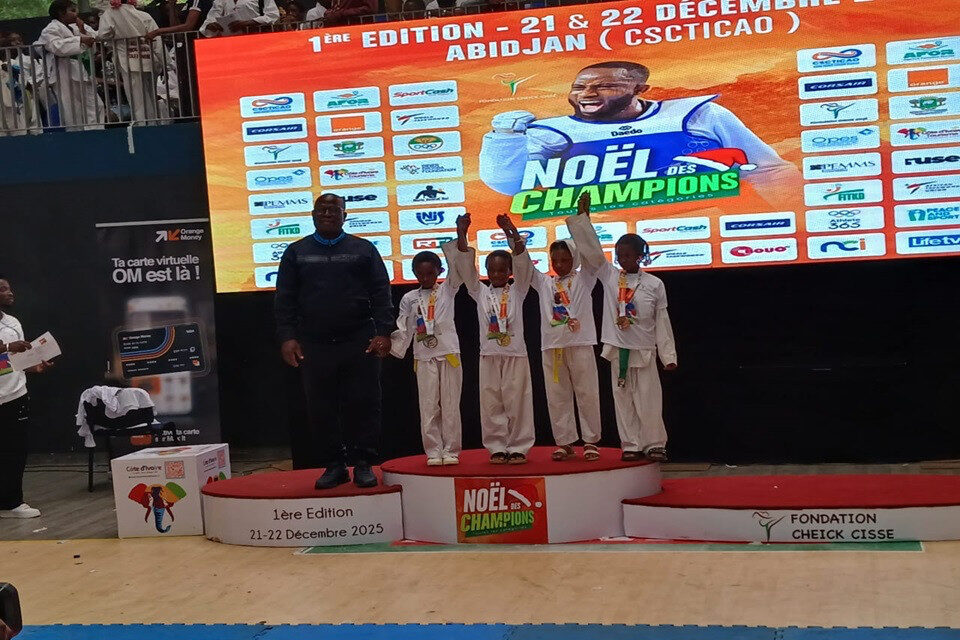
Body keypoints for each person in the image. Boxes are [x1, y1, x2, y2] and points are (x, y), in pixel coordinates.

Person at [478, 60, 800, 206]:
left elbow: (769, 171)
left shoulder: (699, 114)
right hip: (603, 242)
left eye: (605, 86)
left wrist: (797, 219)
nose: (587, 94)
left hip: (702, 229)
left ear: (639, 89)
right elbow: (509, 185)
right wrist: (504, 140)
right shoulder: (552, 132)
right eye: (579, 87)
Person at [274, 193, 394, 489]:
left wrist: (383, 332)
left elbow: (381, 292)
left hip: (359, 340)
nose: (328, 213)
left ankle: (364, 464)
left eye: (334, 209)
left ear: (345, 215)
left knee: (364, 404)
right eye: (322, 209)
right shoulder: (296, 252)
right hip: (314, 344)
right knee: (320, 408)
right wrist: (288, 337)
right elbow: (285, 299)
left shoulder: (364, 250)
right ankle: (334, 466)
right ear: (313, 215)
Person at [565, 193, 676, 462]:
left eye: (628, 255)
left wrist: (668, 356)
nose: (622, 259)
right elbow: (593, 251)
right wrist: (583, 220)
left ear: (640, 256)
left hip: (644, 349)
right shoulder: (610, 276)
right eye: (619, 255)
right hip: (618, 349)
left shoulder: (654, 284)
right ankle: (631, 444)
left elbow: (663, 323)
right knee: (623, 399)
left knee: (649, 398)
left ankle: (655, 443)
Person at [499, 214, 603, 461]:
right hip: (552, 347)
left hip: (580, 344)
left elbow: (590, 250)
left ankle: (591, 441)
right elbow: (523, 262)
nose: (559, 265)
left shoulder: (585, 278)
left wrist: (584, 220)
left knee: (587, 393)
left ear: (575, 259)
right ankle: (565, 442)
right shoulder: (545, 282)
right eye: (555, 260)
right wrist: (512, 232)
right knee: (557, 396)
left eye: (565, 260)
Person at [455, 213, 535, 465]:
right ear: (487, 271)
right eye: (492, 270)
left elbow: (522, 259)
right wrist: (461, 232)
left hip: (515, 354)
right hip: (489, 355)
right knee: (491, 403)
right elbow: (466, 266)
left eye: (502, 270)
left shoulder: (519, 290)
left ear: (510, 271)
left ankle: (519, 446)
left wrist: (511, 230)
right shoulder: (479, 292)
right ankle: (497, 446)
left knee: (518, 401)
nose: (497, 274)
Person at [390, 246, 463, 466]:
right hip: (423, 356)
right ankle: (433, 450)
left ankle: (451, 450)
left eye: (430, 273)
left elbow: (457, 268)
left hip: (449, 354)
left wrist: (459, 240)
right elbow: (404, 327)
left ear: (439, 271)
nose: (425, 278)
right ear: (413, 273)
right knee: (429, 406)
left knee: (450, 405)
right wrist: (393, 348)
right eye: (420, 274)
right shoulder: (409, 298)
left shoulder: (448, 289)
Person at [0, 277, 52, 520]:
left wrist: (34, 366)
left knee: (14, 452)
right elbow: (9, 349)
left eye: (9, 288)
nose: (10, 292)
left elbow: (17, 360)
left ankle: (11, 503)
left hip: (14, 394)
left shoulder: (12, 323)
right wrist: (8, 346)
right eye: (3, 289)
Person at [37, 0, 105, 131]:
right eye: (72, 11)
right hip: (63, 73)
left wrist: (82, 29)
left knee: (96, 105)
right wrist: (80, 39)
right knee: (72, 110)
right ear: (61, 13)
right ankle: (77, 137)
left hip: (83, 70)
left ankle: (95, 134)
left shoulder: (76, 26)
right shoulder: (51, 29)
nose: (76, 13)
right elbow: (56, 46)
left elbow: (96, 36)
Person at [97, 0, 163, 124]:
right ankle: (154, 124)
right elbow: (157, 42)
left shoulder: (110, 13)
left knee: (137, 100)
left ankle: (144, 126)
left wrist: (115, 38)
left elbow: (102, 34)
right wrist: (166, 62)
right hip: (149, 60)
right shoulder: (144, 15)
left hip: (128, 61)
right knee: (151, 95)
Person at [199, 0, 280, 37]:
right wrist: (210, 26)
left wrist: (248, 23)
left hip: (257, 39)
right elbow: (210, 20)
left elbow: (273, 15)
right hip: (229, 43)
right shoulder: (219, 1)